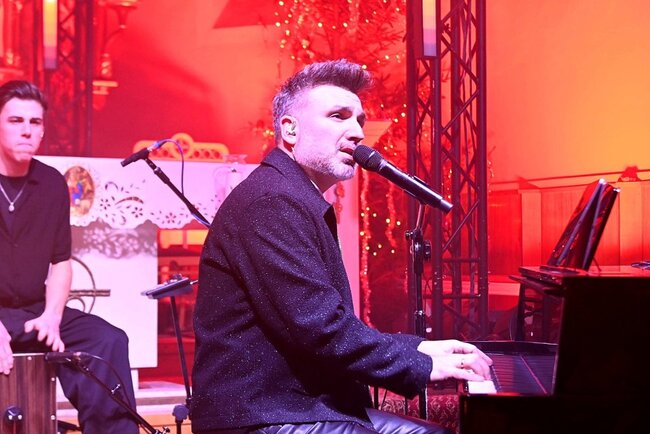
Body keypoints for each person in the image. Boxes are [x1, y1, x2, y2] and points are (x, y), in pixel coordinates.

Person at [192, 59, 493, 434]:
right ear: (290, 129)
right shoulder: (271, 202)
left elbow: (323, 322)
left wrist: (421, 349)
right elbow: (320, 329)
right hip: (263, 414)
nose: (357, 132)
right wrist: (424, 365)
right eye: (338, 116)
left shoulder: (292, 196)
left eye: (360, 121)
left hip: (293, 405)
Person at [0, 80, 139, 434]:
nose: (27, 130)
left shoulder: (51, 183)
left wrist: (52, 316)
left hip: (34, 312)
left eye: (35, 122)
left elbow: (61, 261)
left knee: (107, 340)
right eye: (16, 121)